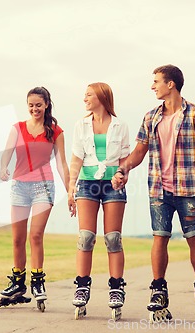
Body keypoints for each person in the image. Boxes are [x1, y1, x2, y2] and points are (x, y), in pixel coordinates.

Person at [112, 65, 195, 317]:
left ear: (171, 84)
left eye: (156, 81)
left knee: (194, 237)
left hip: (189, 188)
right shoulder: (151, 117)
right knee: (160, 237)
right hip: (159, 189)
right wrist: (122, 169)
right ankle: (158, 289)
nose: (153, 86)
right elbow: (139, 152)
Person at [0, 86, 69, 305]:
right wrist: (3, 168)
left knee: (35, 236)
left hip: (43, 187)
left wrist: (70, 192)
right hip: (19, 186)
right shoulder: (17, 128)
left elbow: (61, 164)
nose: (34, 109)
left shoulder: (56, 131)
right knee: (17, 238)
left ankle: (37, 281)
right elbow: (6, 154)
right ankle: (18, 282)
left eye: (38, 105)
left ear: (46, 104)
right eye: (30, 105)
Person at [68, 82, 130, 311]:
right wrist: (70, 188)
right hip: (87, 184)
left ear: (102, 98)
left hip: (113, 185)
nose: (84, 99)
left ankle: (116, 288)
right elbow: (76, 159)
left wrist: (122, 175)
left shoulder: (120, 125)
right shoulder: (81, 125)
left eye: (88, 95)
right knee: (86, 237)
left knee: (113, 238)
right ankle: (82, 286)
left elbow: (125, 159)